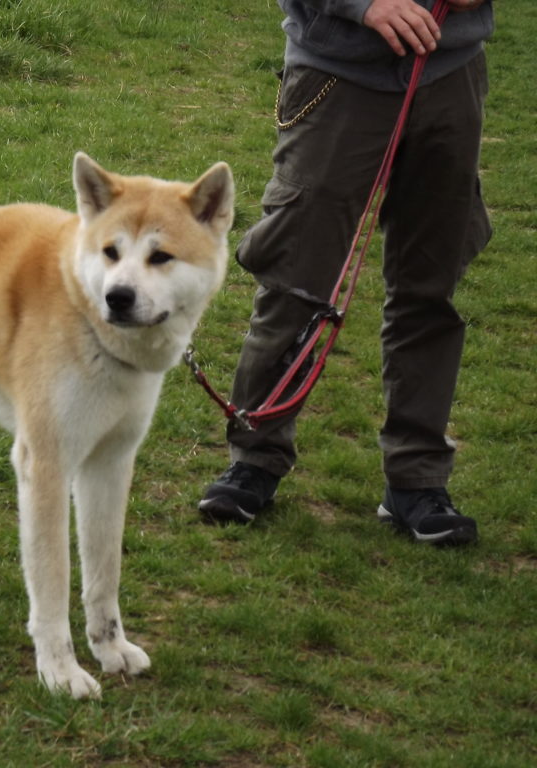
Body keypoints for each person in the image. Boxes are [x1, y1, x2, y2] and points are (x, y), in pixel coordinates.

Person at [197, 0, 495, 545]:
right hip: (337, 75)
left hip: (450, 74)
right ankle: (254, 459)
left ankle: (417, 481)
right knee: (295, 280)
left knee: (430, 292)